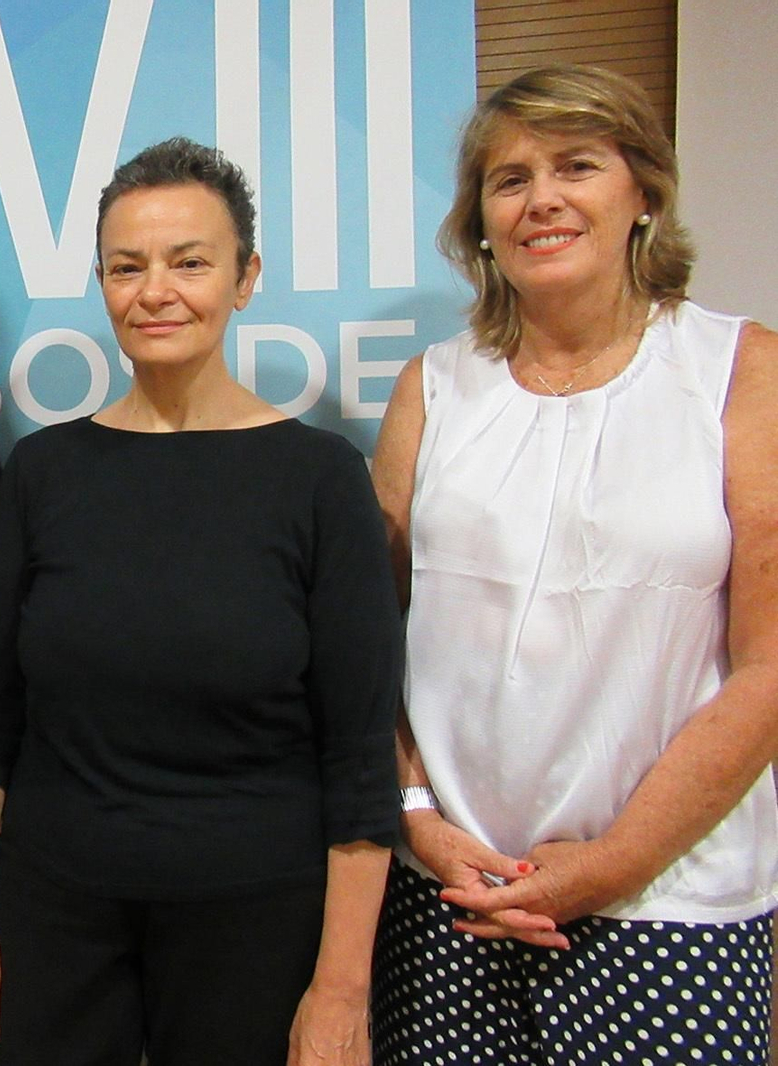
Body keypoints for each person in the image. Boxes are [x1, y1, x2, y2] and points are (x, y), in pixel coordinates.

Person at [0, 137, 404, 1066]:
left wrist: (342, 989)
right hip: (53, 913)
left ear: (246, 277)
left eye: (191, 262)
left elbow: (360, 760)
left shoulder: (320, 481)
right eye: (127, 265)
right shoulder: (45, 471)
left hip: (258, 921)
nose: (157, 291)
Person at [369, 64, 778, 1065]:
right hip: (448, 897)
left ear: (642, 192)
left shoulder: (741, 370)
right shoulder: (434, 386)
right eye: (507, 180)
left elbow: (768, 665)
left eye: (575, 166)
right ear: (479, 220)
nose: (540, 198)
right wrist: (416, 816)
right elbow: (360, 643)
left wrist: (617, 861)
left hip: (670, 903)